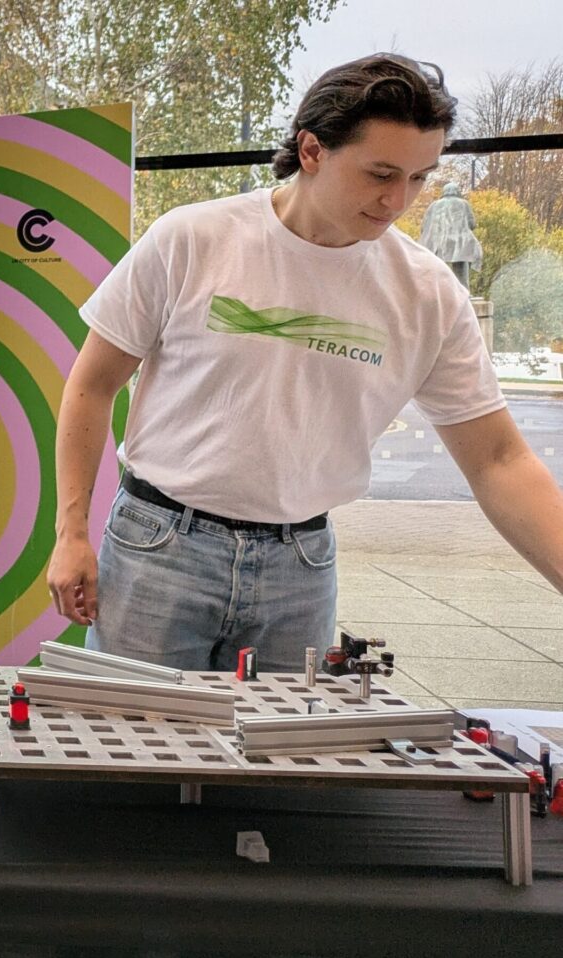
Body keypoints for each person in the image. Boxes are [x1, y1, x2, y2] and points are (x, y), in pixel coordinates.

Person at [46, 53, 563, 673]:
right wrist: (71, 532)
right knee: (131, 751)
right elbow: (93, 384)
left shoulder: (427, 294)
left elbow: (499, 459)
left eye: (420, 178)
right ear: (312, 150)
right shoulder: (191, 239)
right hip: (159, 546)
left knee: (283, 763)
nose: (399, 200)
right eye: (380, 173)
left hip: (302, 564)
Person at [419, 181, 482, 288]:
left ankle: (437, 293)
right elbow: (472, 224)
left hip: (437, 245)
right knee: (461, 269)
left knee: (437, 269)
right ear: (457, 191)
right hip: (460, 243)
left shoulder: (433, 205)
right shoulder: (463, 204)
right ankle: (463, 293)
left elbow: (424, 227)